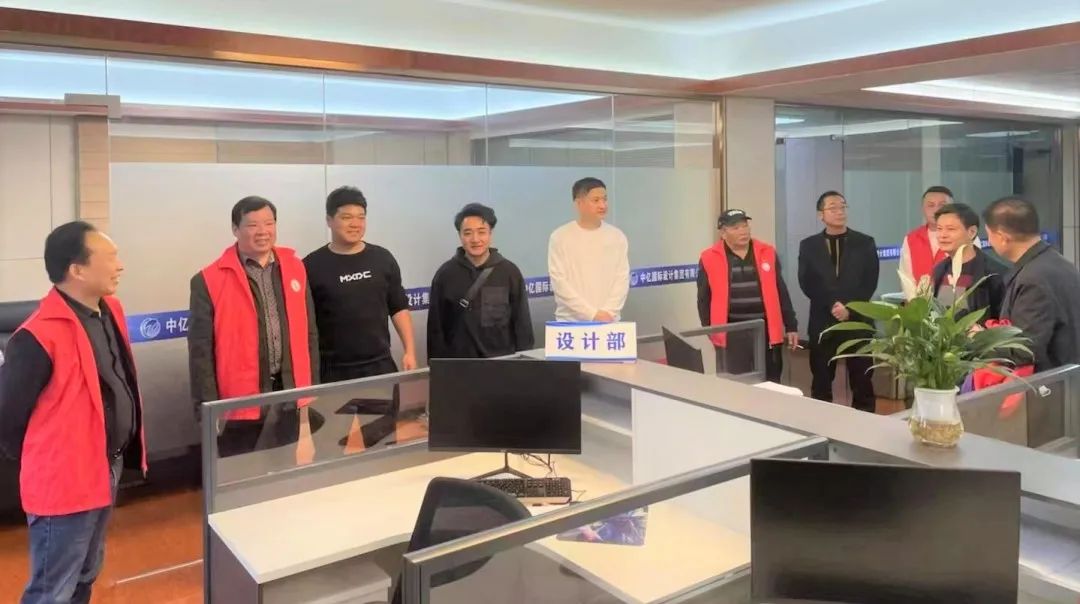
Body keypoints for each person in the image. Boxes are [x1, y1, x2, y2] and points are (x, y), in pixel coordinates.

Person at [0, 221, 146, 604]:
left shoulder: (109, 311)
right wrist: (53, 460)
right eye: (110, 258)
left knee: (86, 572)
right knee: (53, 589)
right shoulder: (36, 336)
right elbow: (8, 419)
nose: (120, 265)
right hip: (64, 481)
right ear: (77, 270)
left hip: (105, 467)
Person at [188, 196, 319, 457]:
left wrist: (311, 392)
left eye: (269, 223)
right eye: (252, 225)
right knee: (242, 472)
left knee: (288, 467)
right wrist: (208, 408)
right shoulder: (208, 280)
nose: (263, 231)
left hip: (289, 393)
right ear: (235, 229)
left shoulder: (295, 267)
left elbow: (310, 333)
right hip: (239, 404)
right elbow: (201, 351)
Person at [303, 186, 416, 381]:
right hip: (332, 370)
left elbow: (398, 307)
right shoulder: (311, 265)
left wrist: (410, 351)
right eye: (346, 217)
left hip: (380, 365)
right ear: (329, 220)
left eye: (361, 217)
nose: (355, 224)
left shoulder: (383, 258)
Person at [798, 191, 880, 412]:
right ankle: (822, 423)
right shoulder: (809, 245)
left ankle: (864, 422)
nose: (839, 212)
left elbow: (869, 282)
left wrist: (849, 308)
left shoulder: (865, 243)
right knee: (821, 380)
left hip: (857, 321)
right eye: (833, 208)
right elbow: (806, 282)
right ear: (821, 215)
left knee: (862, 380)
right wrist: (833, 305)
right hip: (823, 322)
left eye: (842, 206)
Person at [696, 209, 799, 383]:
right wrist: (711, 331)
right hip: (731, 332)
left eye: (745, 226)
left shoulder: (767, 252)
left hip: (766, 330)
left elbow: (781, 291)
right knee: (737, 383)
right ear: (723, 233)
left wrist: (791, 325)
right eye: (736, 228)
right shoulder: (709, 257)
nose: (743, 231)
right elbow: (703, 299)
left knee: (771, 381)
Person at [982, 197, 1080, 371]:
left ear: (1002, 237)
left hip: (1049, 382)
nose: (989, 242)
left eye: (989, 235)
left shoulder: (1033, 279)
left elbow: (1025, 350)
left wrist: (982, 340)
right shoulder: (1058, 263)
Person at [427, 203, 534, 358]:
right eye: (468, 233)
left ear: (490, 234)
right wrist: (438, 367)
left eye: (481, 232)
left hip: (501, 363)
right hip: (459, 365)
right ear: (460, 235)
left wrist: (524, 361)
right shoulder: (445, 274)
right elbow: (435, 330)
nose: (475, 239)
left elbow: (522, 324)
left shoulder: (509, 272)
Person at [548, 177, 629, 322]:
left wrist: (608, 312)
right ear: (579, 203)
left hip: (609, 320)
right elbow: (559, 282)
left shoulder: (617, 236)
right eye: (596, 200)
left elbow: (622, 278)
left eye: (605, 199)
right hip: (571, 322)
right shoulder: (560, 237)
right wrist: (592, 314)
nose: (602, 205)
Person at [930, 203, 1007, 321]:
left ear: (972, 232)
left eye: (950, 229)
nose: (943, 235)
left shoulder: (994, 274)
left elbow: (1004, 321)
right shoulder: (939, 270)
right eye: (939, 229)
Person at [899, 186, 953, 298]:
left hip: (955, 304)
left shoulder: (965, 237)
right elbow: (906, 278)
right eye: (931, 205)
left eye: (942, 205)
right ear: (923, 209)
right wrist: (917, 304)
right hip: (920, 305)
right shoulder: (911, 239)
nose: (936, 210)